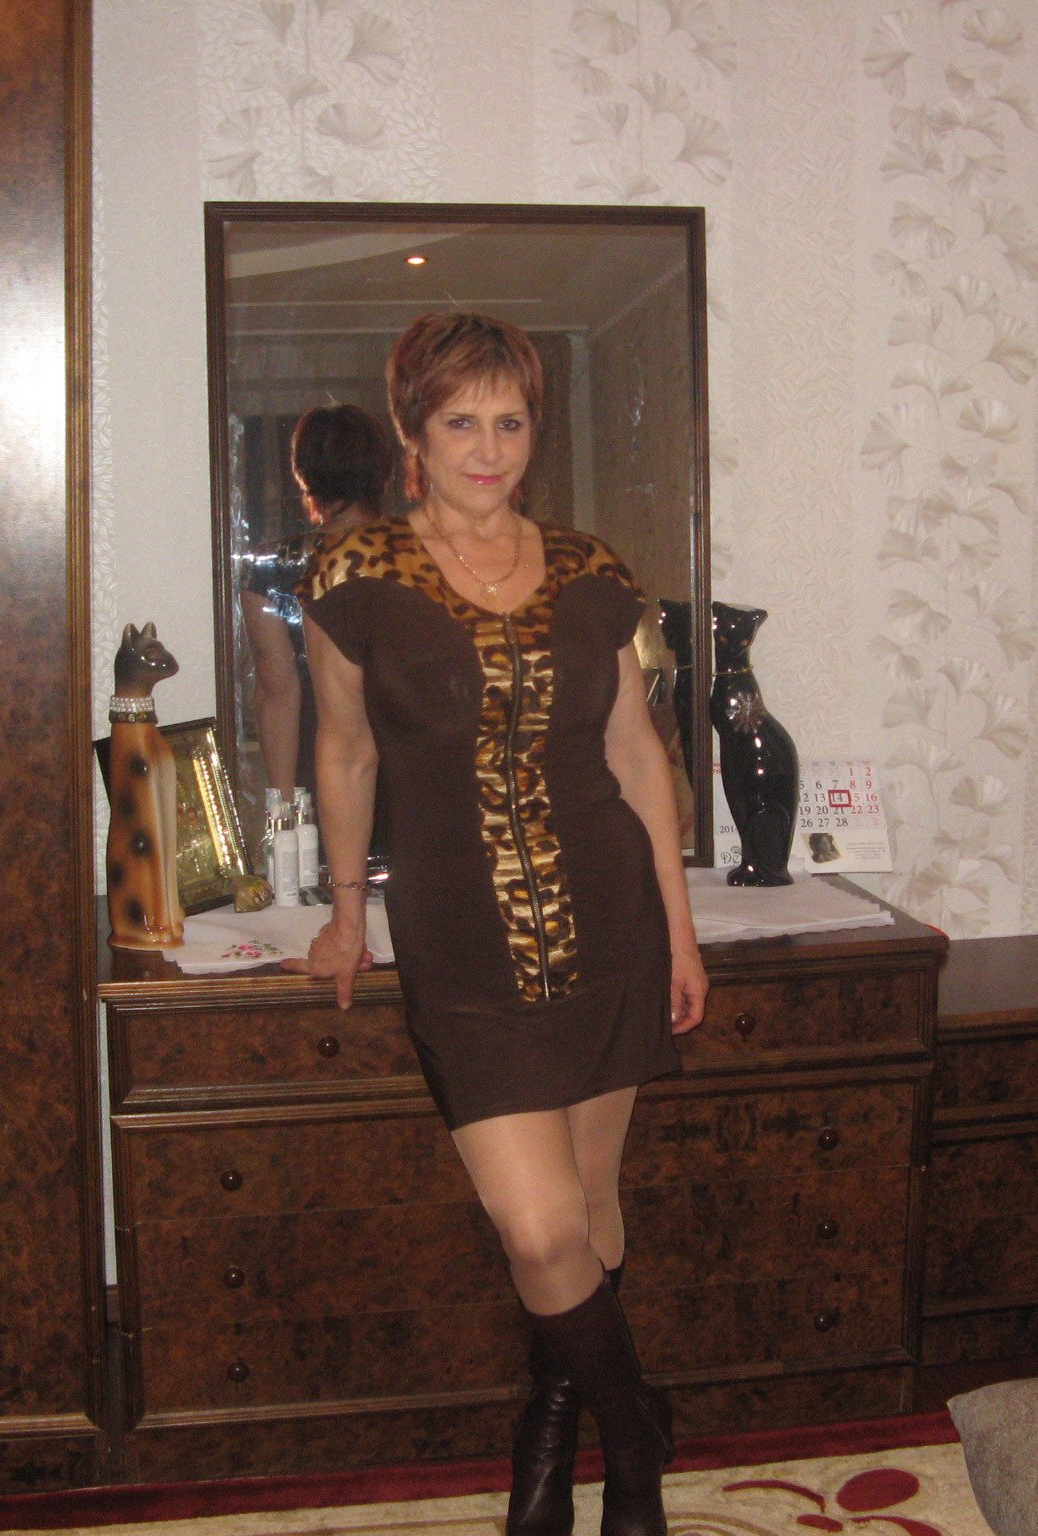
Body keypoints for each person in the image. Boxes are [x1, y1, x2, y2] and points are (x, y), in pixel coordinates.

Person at [288, 312, 707, 1536]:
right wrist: (344, 911)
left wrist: (680, 931)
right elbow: (344, 750)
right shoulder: (354, 578)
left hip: (610, 923)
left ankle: (552, 1434)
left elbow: (635, 753)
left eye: (509, 422)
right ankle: (635, 1438)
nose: (486, 449)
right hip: (460, 941)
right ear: (411, 431)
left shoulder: (590, 570)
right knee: (536, 1228)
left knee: (591, 1204)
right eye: (459, 421)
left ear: (534, 432)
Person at [239, 403, 394, 803]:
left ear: (303, 475)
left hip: (321, 775)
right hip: (409, 770)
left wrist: (283, 810)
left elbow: (278, 691)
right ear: (383, 472)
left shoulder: (271, 568)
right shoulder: (413, 559)